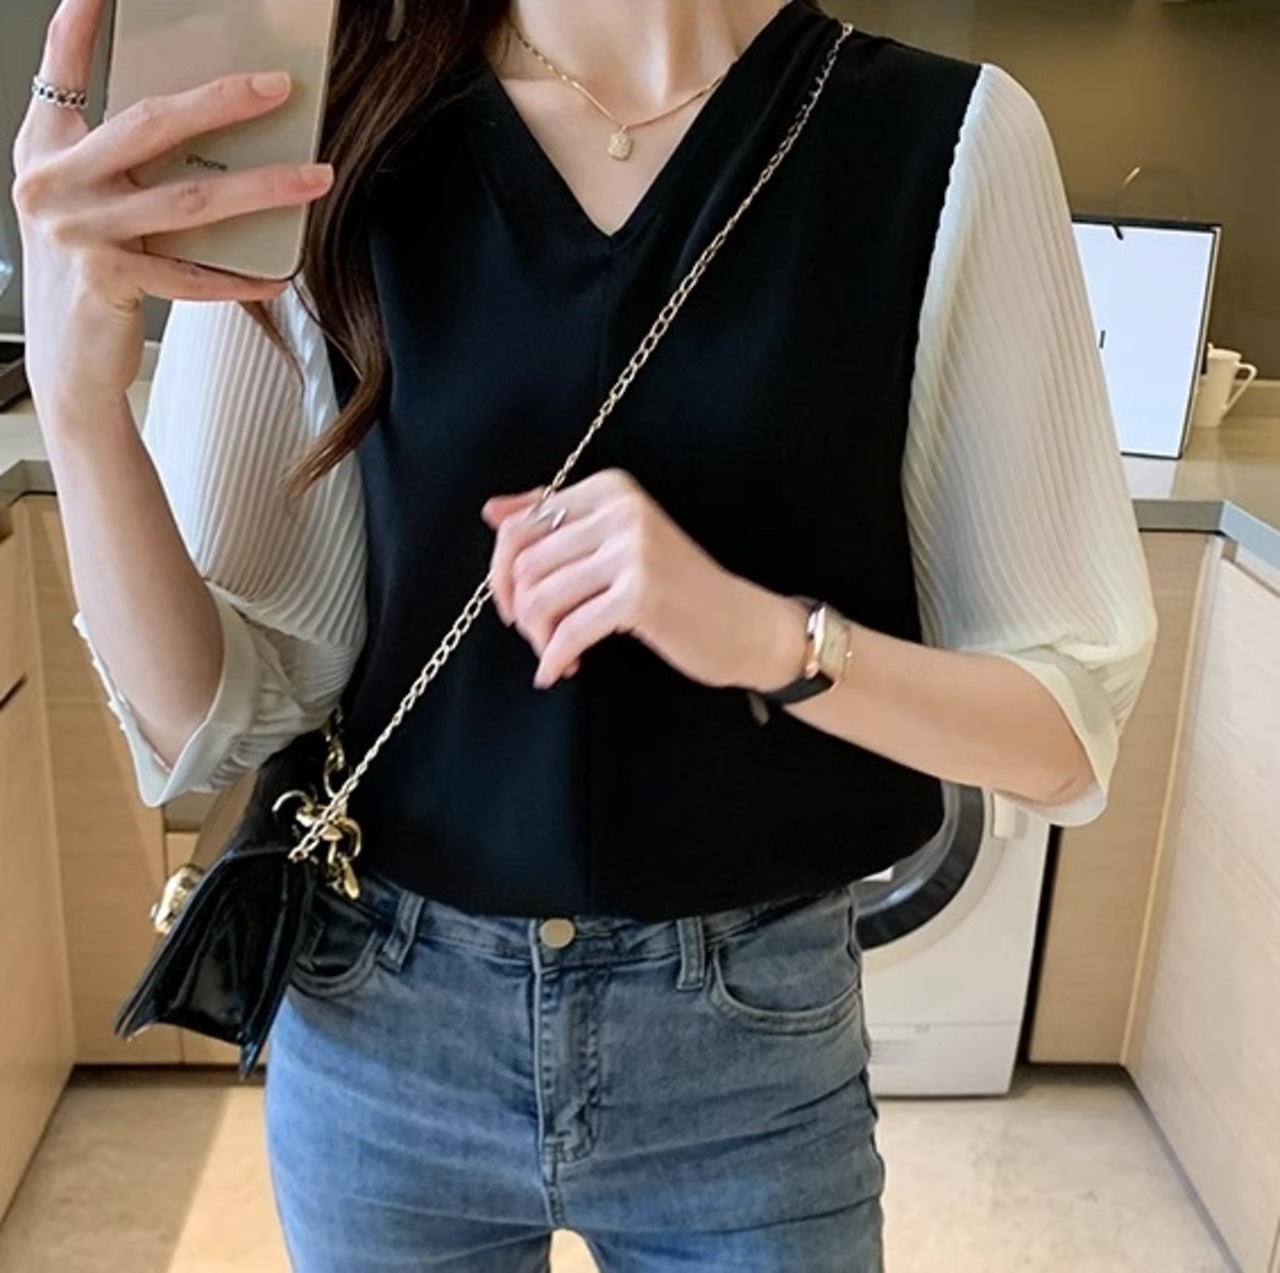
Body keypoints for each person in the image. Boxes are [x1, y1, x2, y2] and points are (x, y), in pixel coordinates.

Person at [14, 0, 1157, 1268]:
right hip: (386, 1028)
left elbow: (1059, 733)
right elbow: (204, 719)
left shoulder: (940, 140)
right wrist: (78, 399)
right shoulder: (329, 127)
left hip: (746, 1058)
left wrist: (769, 638)